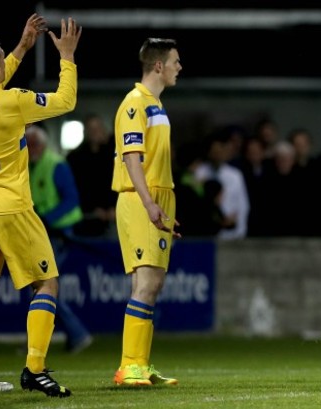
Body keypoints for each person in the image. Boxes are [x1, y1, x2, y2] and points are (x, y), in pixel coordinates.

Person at [0, 13, 81, 398]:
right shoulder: (13, 102)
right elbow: (65, 100)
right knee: (47, 282)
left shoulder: (3, 94)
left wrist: (21, 48)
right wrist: (66, 56)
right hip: (11, 208)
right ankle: (35, 368)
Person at [111, 37, 182, 387]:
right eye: (175, 61)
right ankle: (129, 366)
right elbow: (131, 158)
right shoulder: (135, 103)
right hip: (141, 198)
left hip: (156, 197)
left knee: (148, 284)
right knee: (147, 283)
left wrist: (163, 204)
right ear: (159, 65)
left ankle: (139, 363)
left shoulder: (154, 104)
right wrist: (150, 203)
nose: (179, 67)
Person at [25, 124, 94, 354]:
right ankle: (74, 335)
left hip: (59, 232)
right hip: (45, 233)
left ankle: (76, 333)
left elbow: (71, 200)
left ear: (43, 144)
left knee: (43, 284)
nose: (30, 148)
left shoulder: (55, 165)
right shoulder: (31, 165)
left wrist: (47, 219)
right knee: (44, 284)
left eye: (33, 144)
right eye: (28, 144)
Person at [66, 113, 117, 237]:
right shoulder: (75, 158)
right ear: (85, 132)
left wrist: (115, 207)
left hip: (114, 214)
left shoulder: (114, 155)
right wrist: (91, 208)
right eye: (91, 129)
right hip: (88, 216)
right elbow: (75, 188)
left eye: (98, 128)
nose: (95, 132)